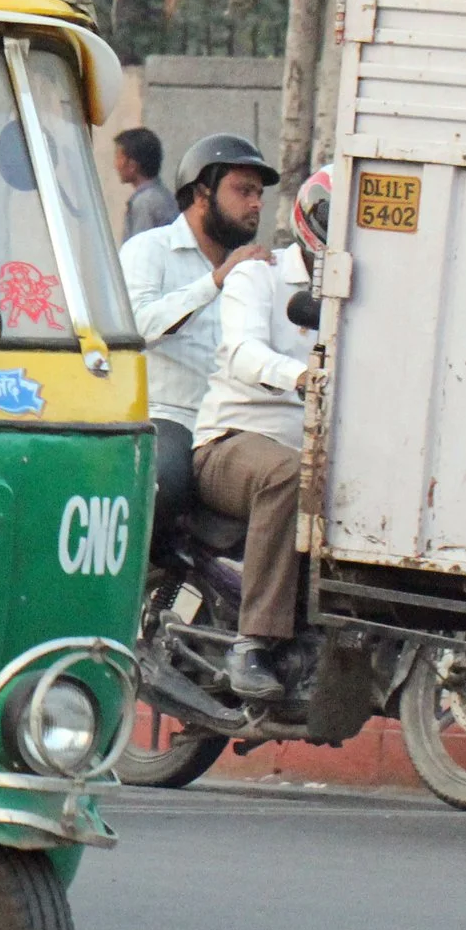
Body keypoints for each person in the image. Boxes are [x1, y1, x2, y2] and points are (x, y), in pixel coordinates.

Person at [191, 167, 328, 701]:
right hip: (229, 443)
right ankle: (253, 642)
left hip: (310, 447)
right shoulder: (260, 275)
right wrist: (297, 376)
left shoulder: (356, 295)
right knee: (286, 475)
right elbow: (243, 352)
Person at [119, 132, 278, 543]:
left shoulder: (252, 271)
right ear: (201, 192)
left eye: (259, 193)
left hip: (229, 426)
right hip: (166, 414)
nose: (256, 203)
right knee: (162, 486)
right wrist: (214, 282)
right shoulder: (149, 250)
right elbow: (135, 329)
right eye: (243, 191)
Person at [114, 127, 178, 239]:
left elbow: (139, 250)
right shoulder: (162, 196)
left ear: (132, 165)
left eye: (119, 158)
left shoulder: (145, 202)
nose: (116, 165)